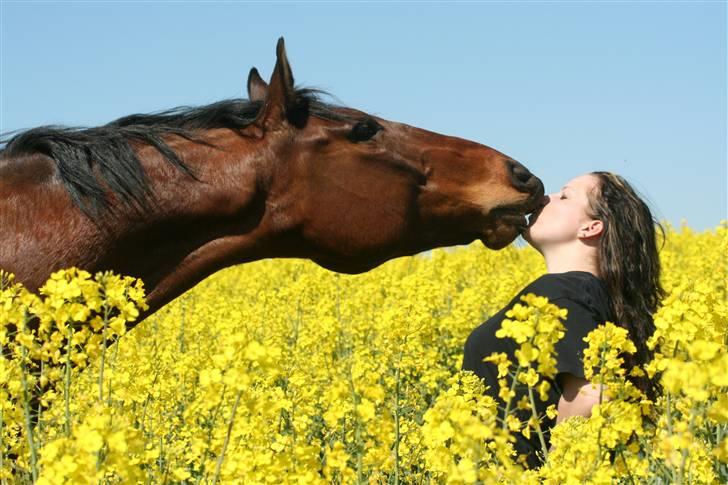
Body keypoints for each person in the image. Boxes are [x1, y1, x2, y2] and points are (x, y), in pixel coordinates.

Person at [462, 171, 664, 469]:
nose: (546, 197)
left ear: (591, 227)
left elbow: (593, 395)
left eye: (565, 195)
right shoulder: (588, 295)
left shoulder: (563, 293)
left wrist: (558, 475)